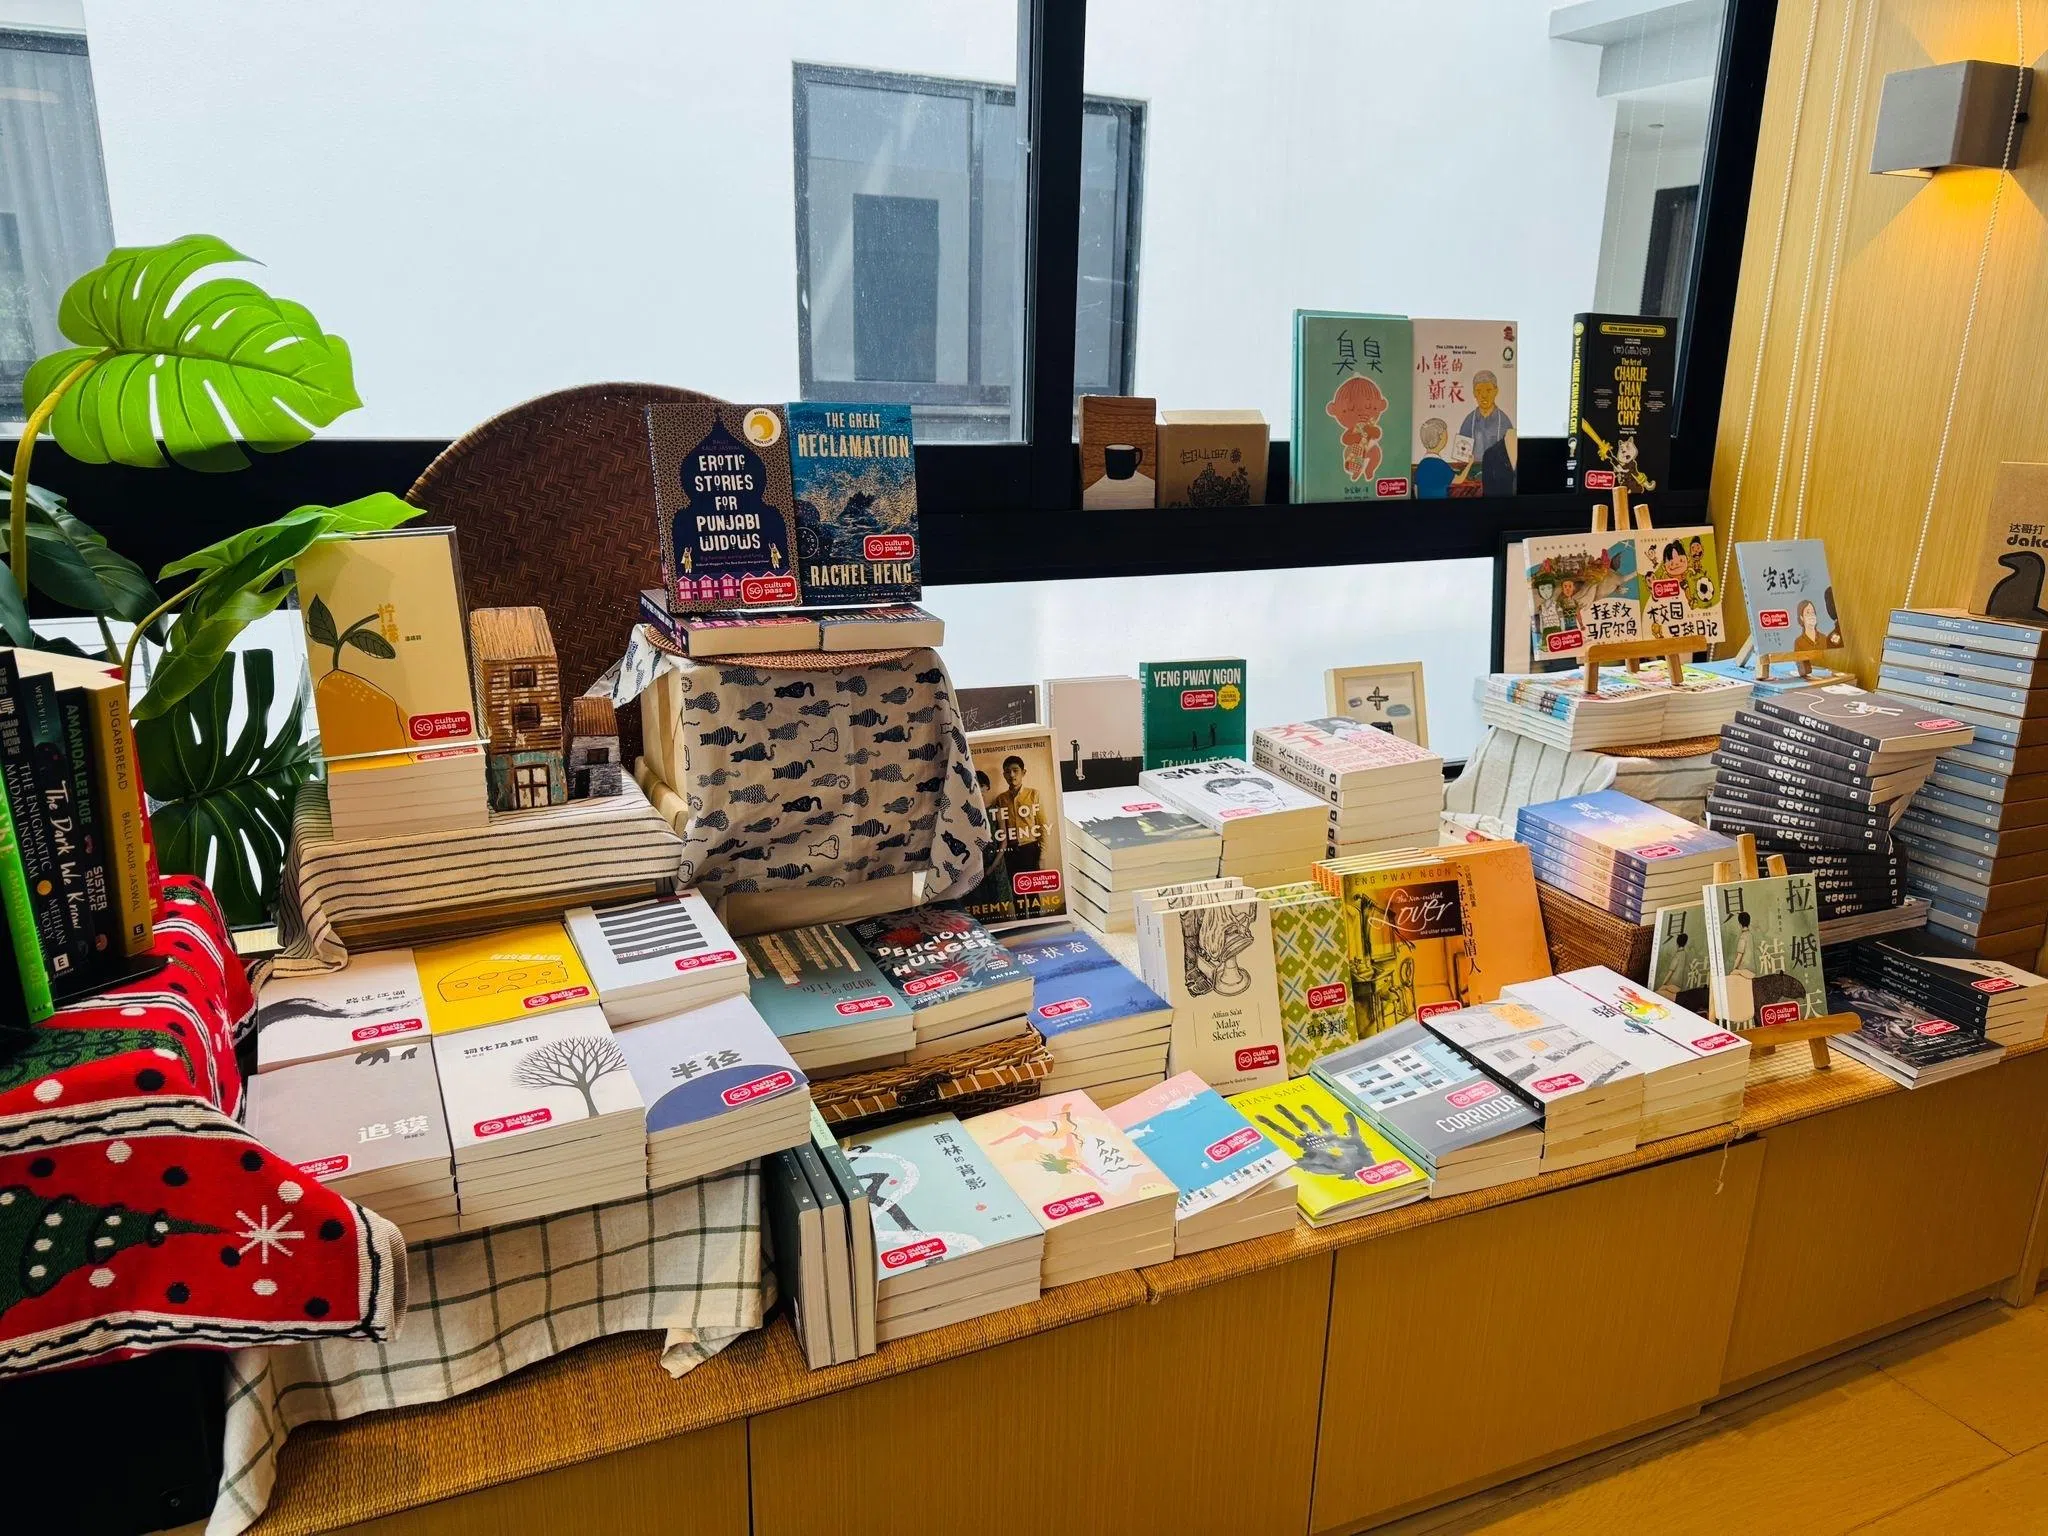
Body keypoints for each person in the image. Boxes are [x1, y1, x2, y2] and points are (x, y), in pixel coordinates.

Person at [1457, 370, 1517, 496]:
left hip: (1499, 482)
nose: (1484, 396)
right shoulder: (1468, 421)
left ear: (1496, 391)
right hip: (1474, 482)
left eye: (1488, 391)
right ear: (1474, 393)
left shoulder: (1505, 422)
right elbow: (1460, 456)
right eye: (1479, 391)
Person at [987, 754, 1044, 874]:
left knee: (1033, 891)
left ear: (1023, 772)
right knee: (1015, 890)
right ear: (1004, 775)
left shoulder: (1034, 794)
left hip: (1030, 848)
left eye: (1015, 771)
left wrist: (1042, 855)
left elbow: (1043, 826)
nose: (1011, 775)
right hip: (1011, 851)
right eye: (1007, 772)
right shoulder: (1001, 799)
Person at [1414, 417, 1456, 499]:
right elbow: (1459, 480)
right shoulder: (1440, 465)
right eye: (1445, 435)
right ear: (1440, 437)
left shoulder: (1422, 465)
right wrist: (1470, 463)